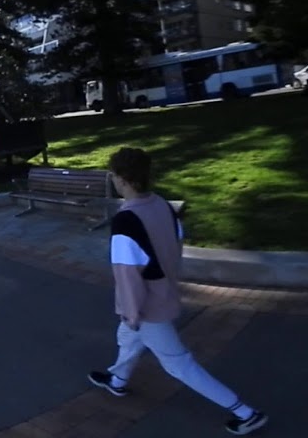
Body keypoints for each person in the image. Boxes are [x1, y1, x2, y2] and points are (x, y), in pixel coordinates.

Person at [87, 147, 268, 436]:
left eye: (113, 175)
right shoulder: (163, 206)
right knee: (127, 339)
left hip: (147, 307)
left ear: (120, 179)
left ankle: (245, 412)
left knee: (178, 364)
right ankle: (117, 380)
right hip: (164, 292)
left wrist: (132, 313)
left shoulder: (125, 221)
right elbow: (175, 249)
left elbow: (127, 276)